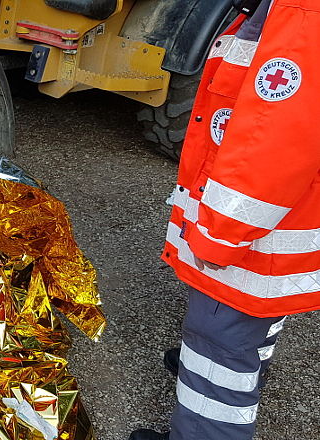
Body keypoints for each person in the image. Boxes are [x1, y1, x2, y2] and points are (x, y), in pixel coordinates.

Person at [130, 1, 320, 439]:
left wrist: (219, 235)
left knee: (218, 337)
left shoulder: (301, 15)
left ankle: (210, 410)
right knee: (250, 321)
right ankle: (240, 365)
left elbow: (271, 145)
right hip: (283, 222)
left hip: (255, 235)